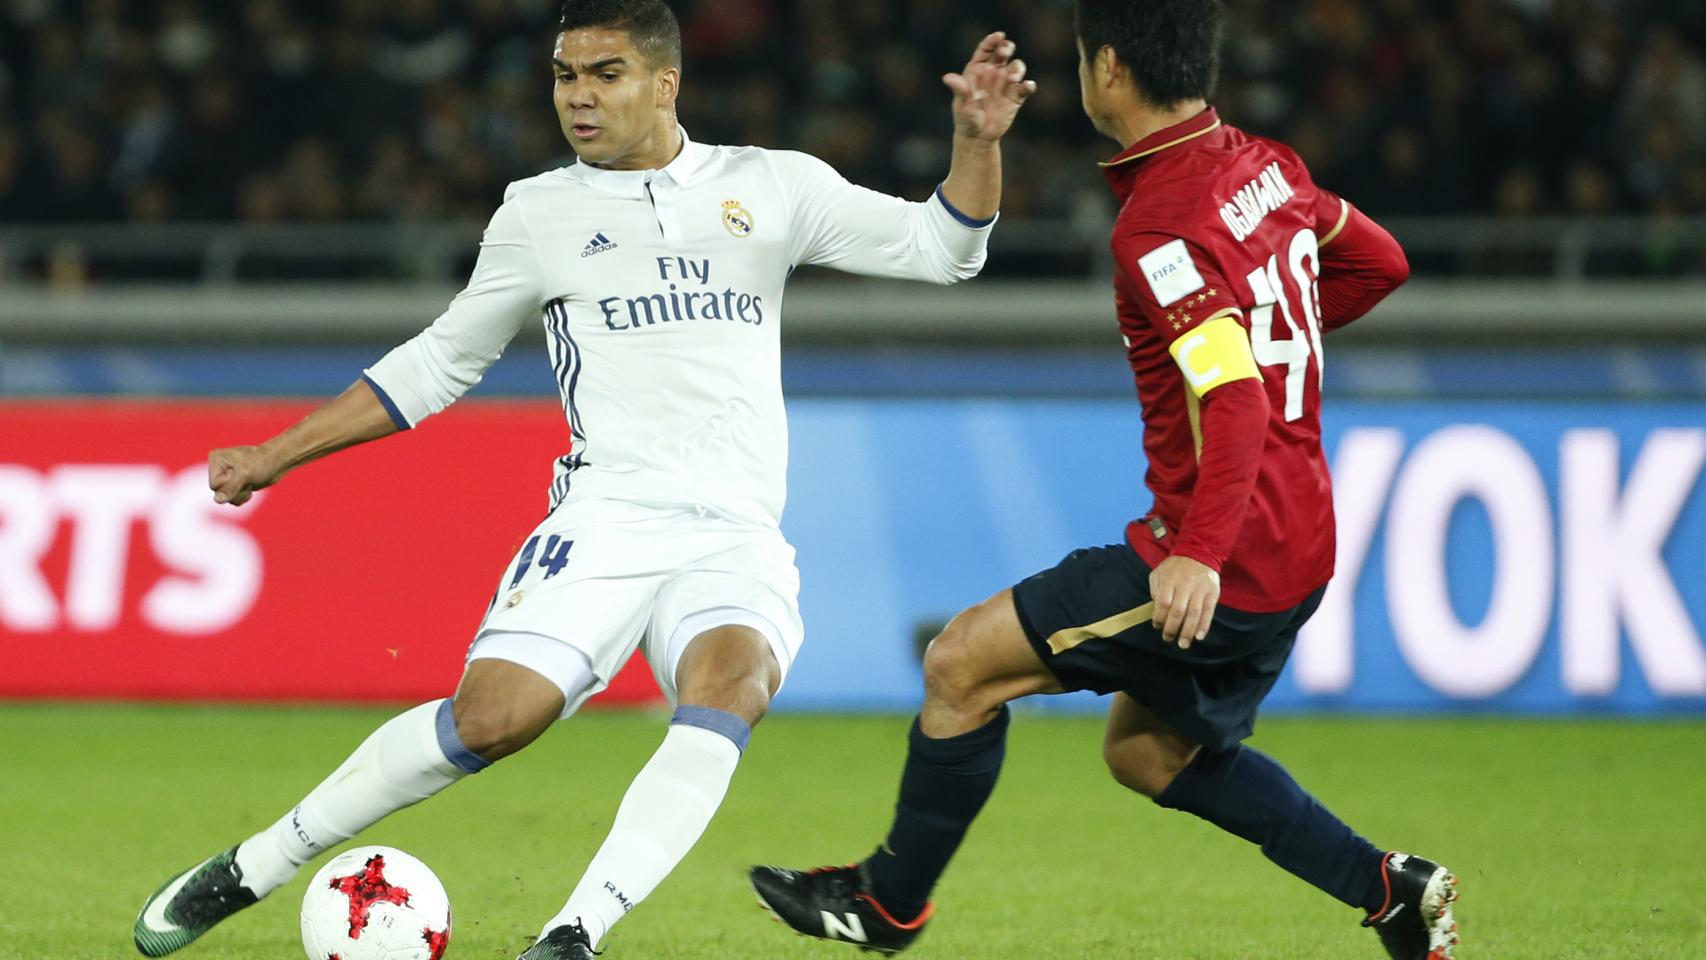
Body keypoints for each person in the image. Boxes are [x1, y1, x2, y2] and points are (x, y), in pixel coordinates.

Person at [130, 3, 1036, 959]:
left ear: (665, 83)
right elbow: (441, 361)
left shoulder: (770, 186)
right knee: (489, 721)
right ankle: (252, 867)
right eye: (565, 76)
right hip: (605, 521)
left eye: (604, 73)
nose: (578, 97)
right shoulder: (539, 212)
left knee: (731, 686)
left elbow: (947, 250)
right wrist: (276, 453)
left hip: (732, 531)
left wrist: (975, 143)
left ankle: (573, 935)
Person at [747, 3, 1458, 960]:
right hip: (1301, 538)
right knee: (1147, 753)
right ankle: (1389, 891)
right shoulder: (1267, 167)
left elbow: (1236, 402)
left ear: (1109, 68)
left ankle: (887, 905)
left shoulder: (1161, 226)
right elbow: (1381, 262)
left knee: (960, 666)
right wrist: (1275, 337)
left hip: (1228, 552)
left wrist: (1197, 554)